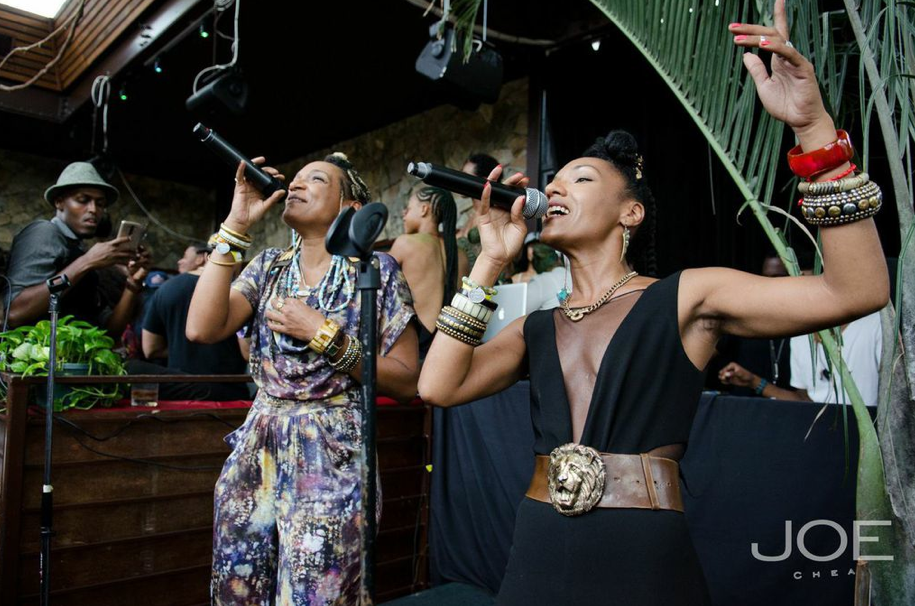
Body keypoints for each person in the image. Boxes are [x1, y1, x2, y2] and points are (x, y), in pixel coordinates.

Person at [417, 4, 889, 603]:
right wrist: (488, 262)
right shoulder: (539, 328)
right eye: (554, 180)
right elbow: (437, 387)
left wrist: (814, 130)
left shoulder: (687, 296)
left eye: (580, 179)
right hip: (536, 549)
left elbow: (857, 290)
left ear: (630, 214)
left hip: (640, 555)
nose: (554, 187)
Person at [186, 152, 419, 604]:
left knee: (317, 590)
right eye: (293, 180)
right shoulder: (268, 267)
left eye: (315, 179)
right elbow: (201, 327)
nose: (296, 186)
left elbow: (408, 380)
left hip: (331, 450)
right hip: (260, 443)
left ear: (351, 207)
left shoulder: (378, 271)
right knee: (239, 580)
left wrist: (324, 335)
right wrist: (236, 223)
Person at [3, 162, 150, 332]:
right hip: (37, 356)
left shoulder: (79, 251)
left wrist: (133, 283)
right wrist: (86, 262)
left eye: (100, 204)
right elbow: (15, 313)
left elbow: (108, 333)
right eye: (83, 200)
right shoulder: (44, 232)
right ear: (59, 202)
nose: (93, 209)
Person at [136, 241, 249, 401]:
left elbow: (150, 349)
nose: (179, 261)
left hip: (181, 391)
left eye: (184, 256)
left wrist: (181, 345)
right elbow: (248, 352)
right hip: (229, 393)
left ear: (203, 257)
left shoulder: (166, 289)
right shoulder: (239, 291)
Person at [721, 311, 882, 406]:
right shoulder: (800, 337)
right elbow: (805, 402)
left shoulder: (875, 324)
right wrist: (753, 381)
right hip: (821, 436)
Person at [390, 186, 469, 358]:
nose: (404, 214)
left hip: (414, 338)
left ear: (424, 209)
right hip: (447, 340)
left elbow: (379, 286)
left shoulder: (406, 243)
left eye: (408, 209)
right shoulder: (460, 255)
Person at [456, 153, 500, 269]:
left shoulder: (496, 216)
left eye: (465, 176)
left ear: (483, 181)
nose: (459, 180)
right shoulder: (471, 216)